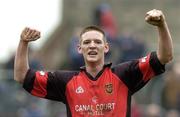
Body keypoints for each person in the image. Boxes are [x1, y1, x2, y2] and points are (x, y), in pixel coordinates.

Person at [14, 9, 173, 117]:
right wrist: (23, 42)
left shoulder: (125, 74)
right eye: (87, 42)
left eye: (97, 42)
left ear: (106, 47)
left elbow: (164, 57)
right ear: (79, 48)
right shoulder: (65, 81)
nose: (92, 45)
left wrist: (161, 25)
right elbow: (22, 76)